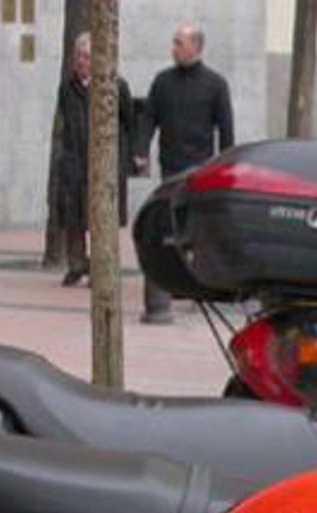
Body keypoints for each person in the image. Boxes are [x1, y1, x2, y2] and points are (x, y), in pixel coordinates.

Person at [136, 23, 235, 324]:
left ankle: (201, 289)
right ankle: (161, 299)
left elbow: (226, 129)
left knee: (198, 233)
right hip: (170, 168)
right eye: (174, 42)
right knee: (165, 231)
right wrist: (141, 149)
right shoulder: (162, 82)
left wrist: (226, 166)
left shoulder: (216, 84)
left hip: (201, 170)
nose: (174, 48)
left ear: (196, 47)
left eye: (179, 43)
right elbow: (148, 118)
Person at [53, 32, 135, 287]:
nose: (82, 61)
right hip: (75, 159)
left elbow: (129, 121)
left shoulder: (116, 86)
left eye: (87, 56)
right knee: (74, 217)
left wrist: (127, 156)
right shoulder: (67, 87)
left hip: (104, 162)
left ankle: (101, 268)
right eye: (79, 56)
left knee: (101, 218)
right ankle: (77, 264)